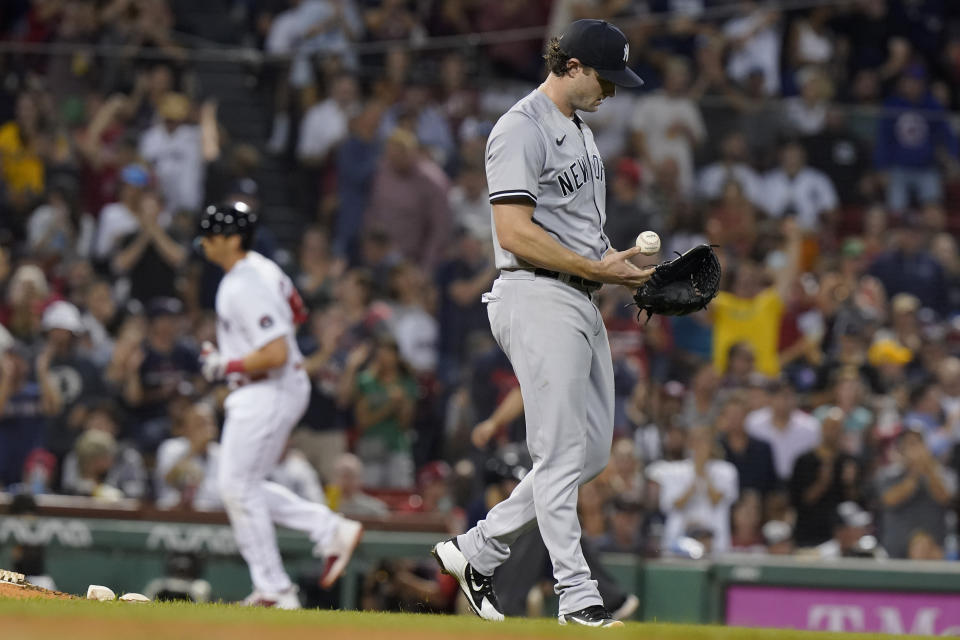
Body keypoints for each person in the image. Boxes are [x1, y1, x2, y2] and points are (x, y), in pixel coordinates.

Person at [431, 20, 652, 628]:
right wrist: (594, 269)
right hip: (537, 296)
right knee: (557, 454)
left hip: (580, 297)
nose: (611, 91)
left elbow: (575, 229)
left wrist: (618, 266)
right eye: (605, 79)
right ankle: (577, 596)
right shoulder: (519, 128)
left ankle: (478, 548)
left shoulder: (579, 130)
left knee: (591, 455)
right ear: (573, 66)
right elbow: (514, 233)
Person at [196, 201, 363, 609]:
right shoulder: (265, 268)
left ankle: (275, 587)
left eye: (211, 235)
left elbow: (274, 352)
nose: (204, 242)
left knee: (236, 486)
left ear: (232, 239)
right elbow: (298, 312)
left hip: (267, 387)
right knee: (240, 485)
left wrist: (226, 364)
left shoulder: (241, 283)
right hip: (273, 388)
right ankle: (326, 530)